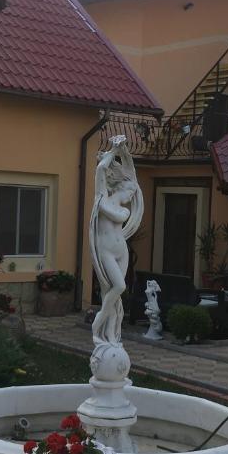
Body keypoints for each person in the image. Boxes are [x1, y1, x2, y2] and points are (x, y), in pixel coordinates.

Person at [89, 136, 143, 348]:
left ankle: (111, 336)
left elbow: (131, 174)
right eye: (130, 191)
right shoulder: (102, 196)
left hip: (121, 251)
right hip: (106, 251)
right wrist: (114, 150)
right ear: (120, 187)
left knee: (117, 296)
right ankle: (99, 321)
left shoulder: (124, 210)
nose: (131, 196)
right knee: (117, 287)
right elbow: (101, 168)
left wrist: (125, 153)